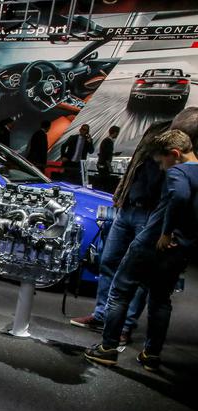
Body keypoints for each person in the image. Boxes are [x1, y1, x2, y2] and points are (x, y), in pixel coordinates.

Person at [85, 129, 198, 371]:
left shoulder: (178, 171)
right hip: (180, 248)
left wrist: (166, 232)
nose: (161, 168)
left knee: (119, 291)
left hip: (151, 242)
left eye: (162, 162)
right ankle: (151, 355)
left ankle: (107, 348)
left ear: (175, 154)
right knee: (160, 300)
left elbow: (180, 196)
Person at [69, 125, 165, 343]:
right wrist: (119, 195)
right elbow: (134, 168)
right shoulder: (155, 129)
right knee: (108, 261)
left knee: (139, 273)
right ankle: (102, 315)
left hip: (150, 214)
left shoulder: (178, 137)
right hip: (126, 208)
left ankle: (125, 325)